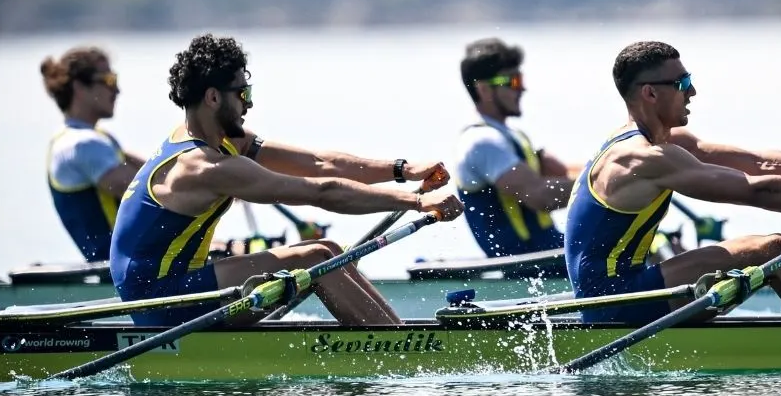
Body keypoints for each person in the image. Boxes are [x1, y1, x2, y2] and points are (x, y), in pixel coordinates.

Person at [110, 33, 464, 326]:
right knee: (312, 258)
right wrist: (417, 202)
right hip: (159, 298)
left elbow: (319, 163)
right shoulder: (205, 166)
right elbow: (320, 192)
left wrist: (402, 170)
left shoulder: (220, 141)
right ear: (213, 97)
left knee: (329, 252)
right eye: (243, 94)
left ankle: (396, 333)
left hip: (179, 283)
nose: (249, 104)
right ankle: (401, 350)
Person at [564, 41, 781, 325]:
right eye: (682, 83)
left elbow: (760, 163)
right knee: (772, 249)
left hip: (629, 287)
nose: (693, 91)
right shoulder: (641, 158)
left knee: (770, 250)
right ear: (650, 93)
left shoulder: (666, 142)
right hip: (612, 302)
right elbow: (759, 190)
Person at [453, 38, 580, 257]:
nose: (522, 88)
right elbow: (542, 197)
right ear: (484, 90)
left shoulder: (510, 137)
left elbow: (562, 176)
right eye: (512, 81)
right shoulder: (483, 142)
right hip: (526, 266)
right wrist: (610, 185)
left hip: (549, 252)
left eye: (520, 79)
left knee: (654, 240)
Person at [40, 47, 145, 263]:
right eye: (108, 80)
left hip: (136, 260)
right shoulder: (83, 144)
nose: (117, 90)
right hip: (126, 269)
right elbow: (156, 194)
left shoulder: (93, 138)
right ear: (79, 87)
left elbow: (158, 169)